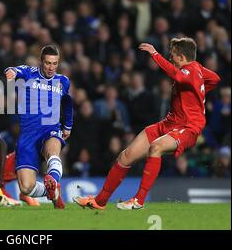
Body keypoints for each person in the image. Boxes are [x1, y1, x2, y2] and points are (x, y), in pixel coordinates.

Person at [74, 37, 220, 210]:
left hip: (188, 127)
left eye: (172, 55)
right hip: (168, 123)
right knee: (125, 156)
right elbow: (215, 79)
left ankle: (139, 200)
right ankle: (100, 201)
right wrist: (198, 94)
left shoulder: (193, 69)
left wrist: (155, 54)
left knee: (156, 147)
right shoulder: (198, 71)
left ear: (181, 57)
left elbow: (177, 76)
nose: (171, 58)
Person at [4, 45, 73, 209]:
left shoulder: (63, 81)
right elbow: (14, 69)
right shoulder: (29, 73)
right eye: (48, 63)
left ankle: (53, 180)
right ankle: (52, 191)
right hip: (28, 134)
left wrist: (68, 126)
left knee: (53, 150)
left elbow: (68, 104)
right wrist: (11, 72)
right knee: (26, 187)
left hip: (50, 129)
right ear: (41, 62)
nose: (51, 67)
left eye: (55, 63)